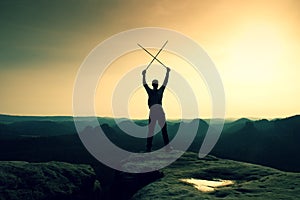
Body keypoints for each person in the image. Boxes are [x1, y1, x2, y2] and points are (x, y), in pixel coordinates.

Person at [142, 67, 172, 152]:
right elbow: (165, 82)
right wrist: (167, 72)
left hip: (152, 111)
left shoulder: (150, 92)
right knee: (164, 130)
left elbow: (144, 84)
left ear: (152, 84)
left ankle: (148, 148)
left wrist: (144, 75)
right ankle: (167, 148)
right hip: (160, 110)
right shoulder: (160, 91)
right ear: (157, 85)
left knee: (151, 130)